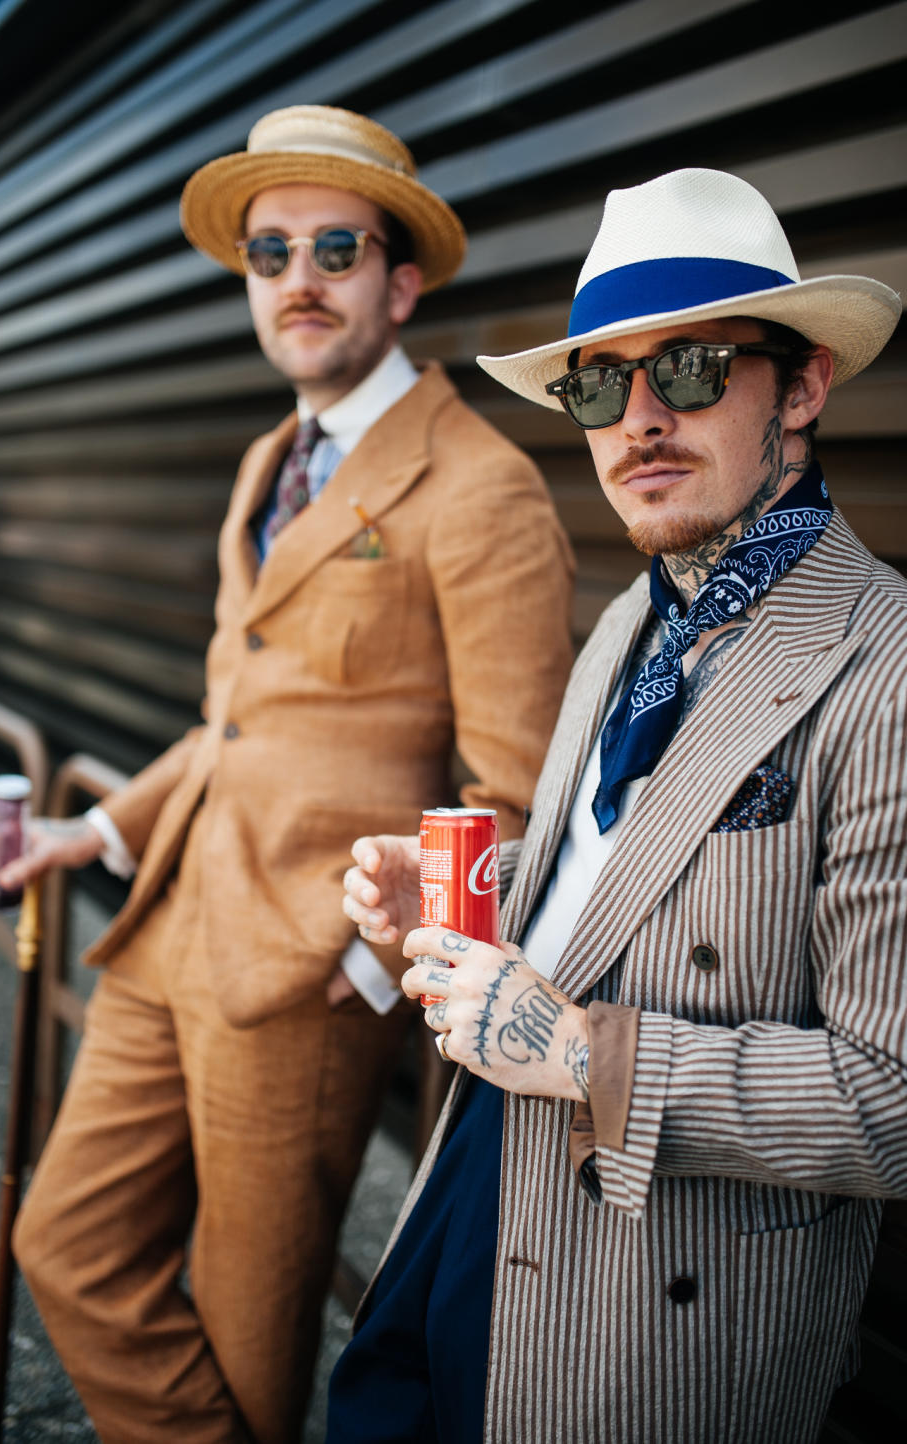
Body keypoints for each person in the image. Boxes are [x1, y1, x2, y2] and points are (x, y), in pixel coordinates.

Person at [0, 105, 574, 1444]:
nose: (297, 278)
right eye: (268, 252)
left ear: (400, 278)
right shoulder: (271, 460)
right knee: (63, 1242)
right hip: (166, 928)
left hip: (304, 980)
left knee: (254, 1343)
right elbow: (235, 715)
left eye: (336, 246)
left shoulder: (481, 489)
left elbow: (511, 799)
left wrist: (359, 971)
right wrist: (96, 832)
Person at [333, 166, 907, 1444]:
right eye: (600, 383)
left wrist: (588, 1053)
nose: (639, 417)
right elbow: (633, 867)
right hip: (477, 1167)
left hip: (653, 1294)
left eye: (691, 368)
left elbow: (894, 1097)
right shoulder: (628, 620)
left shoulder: (888, 666)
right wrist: (477, 889)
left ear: (803, 384)